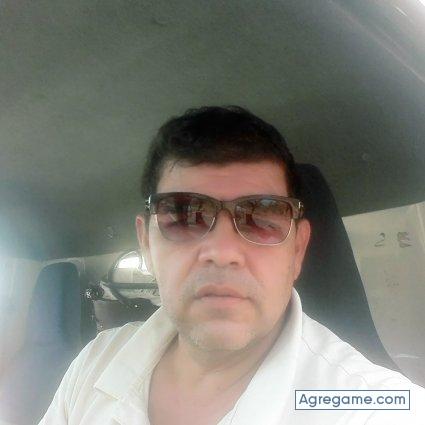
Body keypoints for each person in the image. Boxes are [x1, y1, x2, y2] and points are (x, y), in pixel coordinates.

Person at [40, 106, 425, 425]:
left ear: (297, 251)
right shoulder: (96, 362)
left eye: (262, 217)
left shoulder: (380, 410)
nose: (222, 252)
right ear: (147, 245)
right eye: (185, 216)